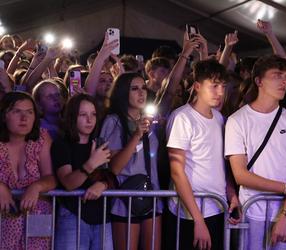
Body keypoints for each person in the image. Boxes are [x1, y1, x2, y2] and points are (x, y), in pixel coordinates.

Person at [225, 55, 286, 250]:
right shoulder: (237, 120)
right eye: (276, 75)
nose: (284, 82)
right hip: (252, 211)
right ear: (258, 81)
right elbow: (240, 175)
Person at [166, 59, 240, 250]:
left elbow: (221, 163)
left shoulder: (219, 118)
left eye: (223, 86)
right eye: (214, 86)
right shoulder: (182, 118)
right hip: (191, 213)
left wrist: (231, 192)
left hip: (218, 206)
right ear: (198, 86)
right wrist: (198, 220)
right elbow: (177, 172)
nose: (221, 92)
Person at [100, 72, 163, 250]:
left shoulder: (149, 122)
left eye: (143, 88)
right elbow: (115, 167)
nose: (141, 93)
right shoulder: (113, 121)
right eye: (134, 89)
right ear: (122, 92)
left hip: (152, 195)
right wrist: (136, 135)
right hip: (125, 198)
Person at [51, 93, 113, 250]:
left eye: (93, 114)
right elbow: (68, 183)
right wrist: (91, 163)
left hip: (102, 216)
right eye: (83, 114)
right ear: (72, 117)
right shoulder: (62, 145)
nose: (89, 120)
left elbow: (111, 176)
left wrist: (104, 185)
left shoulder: (99, 143)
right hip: (73, 215)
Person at [0, 91, 56, 249]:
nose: (24, 118)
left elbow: (51, 177)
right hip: (3, 220)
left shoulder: (42, 138)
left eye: (29, 112)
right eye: (17, 111)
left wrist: (36, 187)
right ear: (5, 115)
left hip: (38, 216)